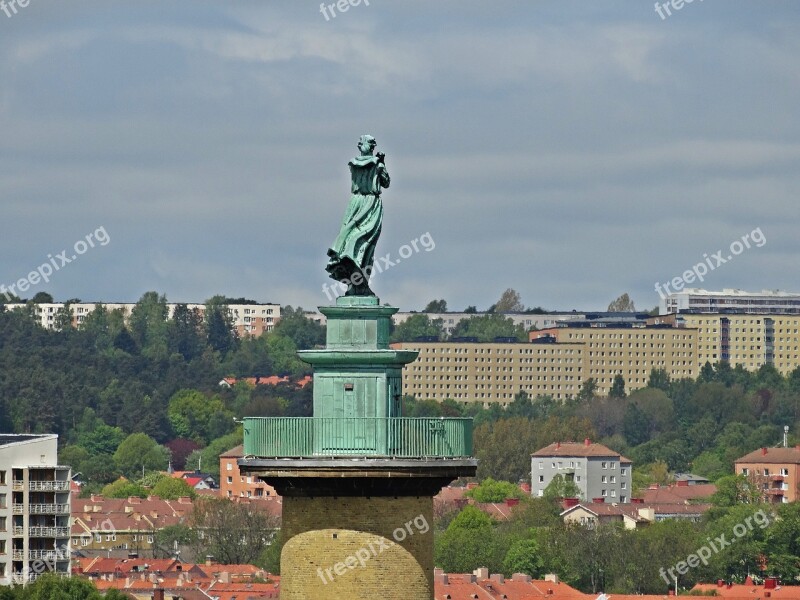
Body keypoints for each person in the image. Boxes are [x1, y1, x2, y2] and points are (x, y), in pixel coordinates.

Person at [325, 134, 390, 296]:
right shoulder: (375, 164)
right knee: (360, 243)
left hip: (358, 203)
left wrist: (380, 164)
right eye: (370, 144)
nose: (371, 148)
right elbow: (386, 182)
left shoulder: (356, 163)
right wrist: (381, 164)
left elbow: (385, 182)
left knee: (366, 245)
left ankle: (358, 284)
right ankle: (358, 283)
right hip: (367, 203)